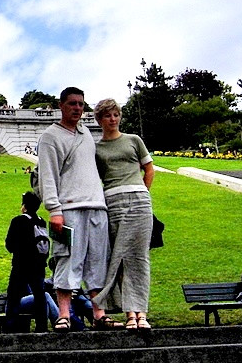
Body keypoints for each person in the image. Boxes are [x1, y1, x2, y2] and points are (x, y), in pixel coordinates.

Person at [36, 87, 120, 332]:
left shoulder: (85, 133)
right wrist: (54, 209)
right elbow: (47, 176)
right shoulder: (51, 136)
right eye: (72, 103)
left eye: (81, 104)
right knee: (66, 260)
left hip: (97, 206)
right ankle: (64, 314)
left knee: (97, 262)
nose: (77, 108)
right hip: (69, 208)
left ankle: (99, 313)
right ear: (61, 105)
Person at [92, 98, 155, 331]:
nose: (113, 119)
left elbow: (149, 169)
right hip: (113, 202)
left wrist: (141, 192)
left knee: (140, 258)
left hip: (139, 200)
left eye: (116, 114)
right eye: (107, 115)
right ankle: (130, 314)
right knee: (120, 258)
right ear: (99, 120)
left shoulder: (133, 140)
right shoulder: (97, 149)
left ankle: (142, 313)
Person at [3, 191, 49, 333]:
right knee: (39, 295)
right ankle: (42, 326)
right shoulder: (41, 221)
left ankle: (11, 327)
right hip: (39, 265)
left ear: (24, 205)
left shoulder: (18, 221)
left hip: (21, 265)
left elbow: (9, 244)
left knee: (13, 296)